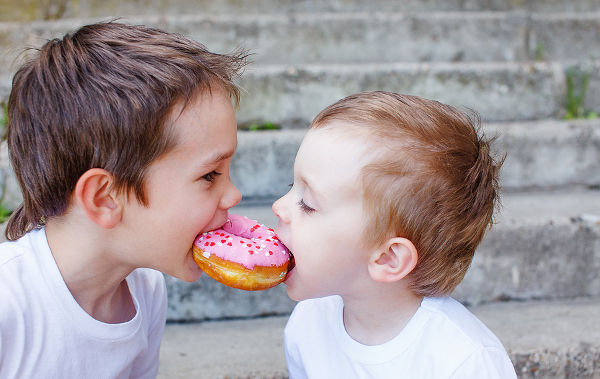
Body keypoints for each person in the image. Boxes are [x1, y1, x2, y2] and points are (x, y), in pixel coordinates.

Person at [0, 22, 247, 378]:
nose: (233, 195)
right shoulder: (9, 306)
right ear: (104, 198)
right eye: (209, 175)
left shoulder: (144, 288)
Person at [272, 91, 517, 378]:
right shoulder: (307, 324)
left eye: (308, 204)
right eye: (292, 185)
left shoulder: (464, 362)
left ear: (388, 258)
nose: (279, 207)